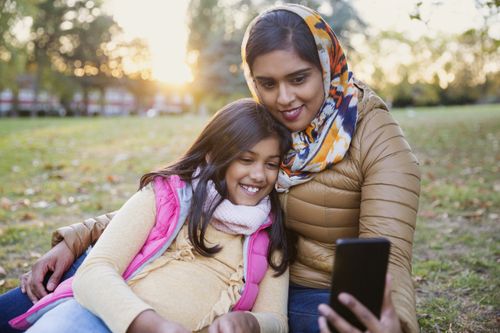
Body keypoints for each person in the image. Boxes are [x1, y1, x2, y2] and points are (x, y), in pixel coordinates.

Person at [2, 3, 421, 333]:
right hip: (179, 264)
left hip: (304, 289)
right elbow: (177, 199)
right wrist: (77, 239)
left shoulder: (373, 136)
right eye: (267, 83)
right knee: (47, 292)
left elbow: (390, 257)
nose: (285, 98)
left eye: (299, 78)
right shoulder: (263, 128)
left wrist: (396, 324)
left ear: (327, 67)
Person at [8, 98, 292, 333]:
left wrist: (251, 322)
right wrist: (152, 325)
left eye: (270, 164)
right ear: (212, 156)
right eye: (246, 159)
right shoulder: (165, 195)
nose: (258, 175)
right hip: (100, 318)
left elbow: (277, 320)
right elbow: (94, 272)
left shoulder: (271, 237)